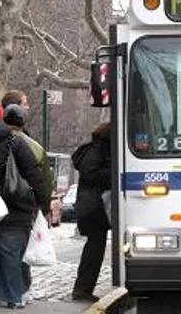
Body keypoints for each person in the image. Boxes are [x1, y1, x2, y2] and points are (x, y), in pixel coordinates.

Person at [0, 104, 49, 309]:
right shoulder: (15, 142)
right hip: (14, 207)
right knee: (11, 253)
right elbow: (33, 174)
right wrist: (44, 202)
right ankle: (13, 297)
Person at [71, 122, 111, 302]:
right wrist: (114, 173)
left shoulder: (94, 149)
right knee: (94, 250)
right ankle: (82, 289)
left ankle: (84, 288)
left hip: (92, 206)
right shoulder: (97, 151)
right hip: (95, 206)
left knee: (94, 249)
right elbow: (91, 174)